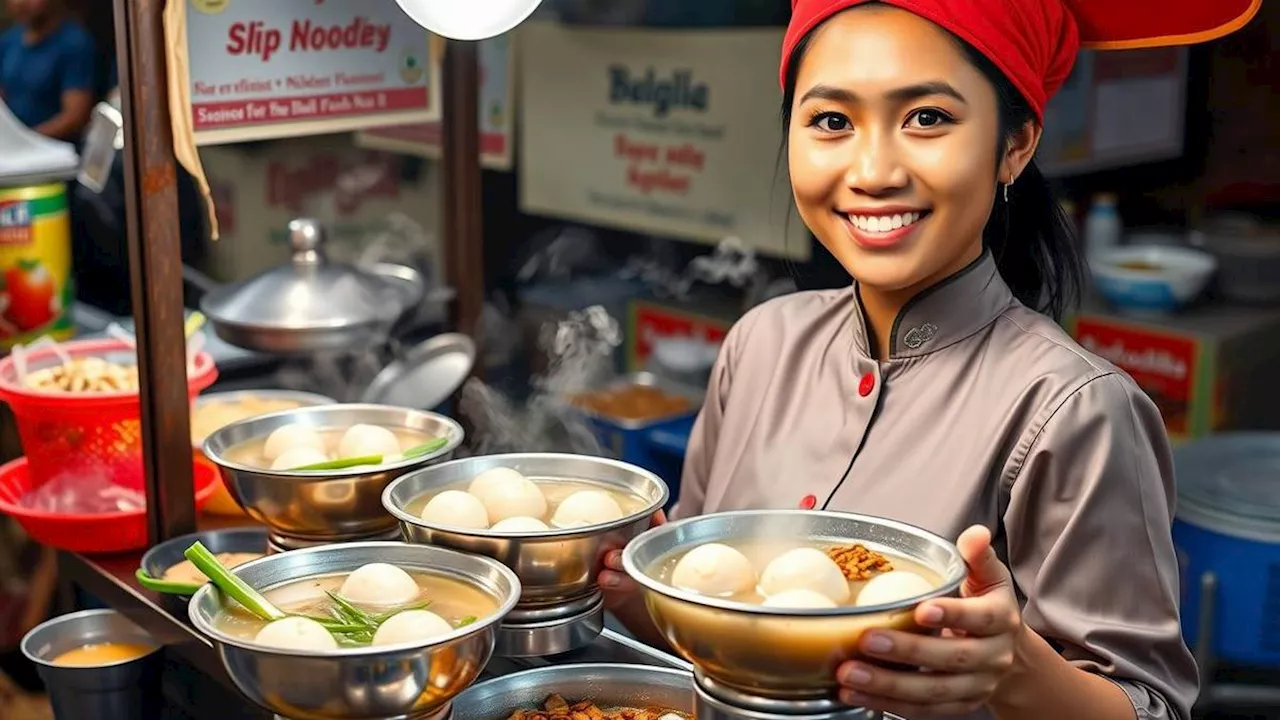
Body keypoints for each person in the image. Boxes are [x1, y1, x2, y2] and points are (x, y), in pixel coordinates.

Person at [598, 1, 1260, 719]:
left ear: (1015, 145)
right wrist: (632, 590)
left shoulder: (1074, 408)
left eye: (927, 119)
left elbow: (1151, 706)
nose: (873, 170)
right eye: (830, 122)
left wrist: (1017, 675)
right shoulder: (759, 345)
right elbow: (705, 628)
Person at [0, 0, 95, 140]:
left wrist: (25, 140)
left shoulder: (74, 44)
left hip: (54, 150)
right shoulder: (9, 41)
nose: (20, 3)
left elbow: (74, 117)